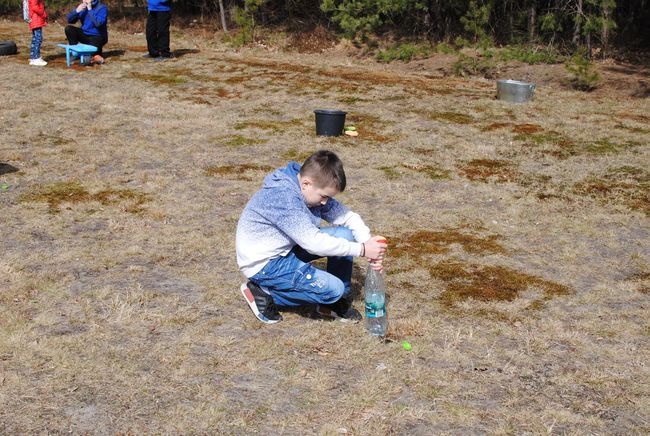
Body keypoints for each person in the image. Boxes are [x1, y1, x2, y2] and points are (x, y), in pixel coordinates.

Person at [236, 150, 387, 324]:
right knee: (334, 288)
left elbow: (348, 217)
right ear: (306, 183)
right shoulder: (283, 197)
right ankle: (264, 293)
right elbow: (313, 243)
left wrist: (368, 244)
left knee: (345, 235)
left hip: (286, 248)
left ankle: (334, 304)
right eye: (324, 196)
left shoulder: (309, 189)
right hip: (264, 263)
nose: (325, 202)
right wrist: (362, 250)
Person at [65, 0, 108, 64]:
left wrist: (90, 10)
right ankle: (74, 53)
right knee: (69, 29)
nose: (84, 0)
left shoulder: (102, 8)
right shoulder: (83, 7)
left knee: (90, 56)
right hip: (85, 34)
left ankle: (96, 54)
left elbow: (98, 23)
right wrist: (76, 11)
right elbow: (70, 20)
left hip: (98, 36)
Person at [26, 0, 48, 66]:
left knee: (35, 38)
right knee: (38, 38)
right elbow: (34, 7)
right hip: (36, 18)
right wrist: (44, 14)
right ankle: (36, 58)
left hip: (35, 18)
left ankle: (33, 57)